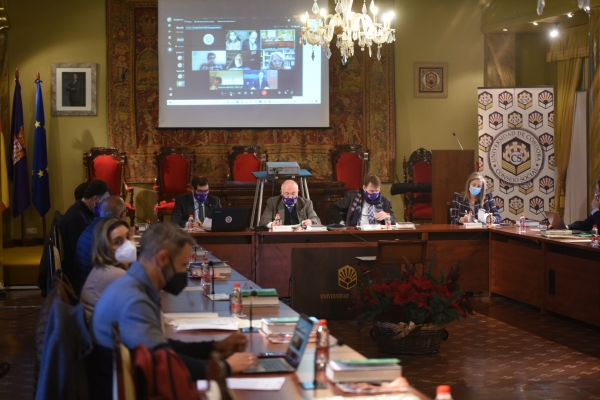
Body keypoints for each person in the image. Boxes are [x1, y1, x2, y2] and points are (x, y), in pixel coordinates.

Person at [89, 223, 257, 399]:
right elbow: (162, 363)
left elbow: (165, 347)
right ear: (162, 259)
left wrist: (214, 347)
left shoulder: (137, 286)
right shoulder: (134, 300)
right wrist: (224, 367)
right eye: (183, 265)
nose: (185, 272)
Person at [59, 180, 112, 291]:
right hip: (80, 278)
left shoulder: (83, 212)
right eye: (105, 201)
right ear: (95, 199)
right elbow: (82, 253)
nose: (106, 206)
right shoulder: (77, 217)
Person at [80, 218, 134, 322]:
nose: (127, 245)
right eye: (117, 242)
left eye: (128, 237)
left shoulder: (102, 269)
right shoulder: (115, 275)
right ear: (104, 247)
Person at [74, 195, 128, 296]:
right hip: (95, 293)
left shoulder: (94, 226)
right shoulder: (109, 233)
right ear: (122, 215)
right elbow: (120, 269)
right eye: (126, 212)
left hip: (84, 285)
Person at [328, 174, 397, 226]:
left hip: (378, 235)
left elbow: (394, 222)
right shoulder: (352, 196)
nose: (374, 193)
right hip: (357, 234)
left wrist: (387, 216)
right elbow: (334, 208)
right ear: (364, 188)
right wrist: (341, 223)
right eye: (372, 191)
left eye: (377, 191)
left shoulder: (386, 201)